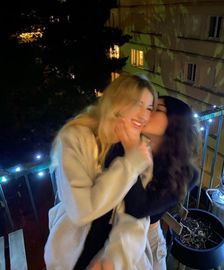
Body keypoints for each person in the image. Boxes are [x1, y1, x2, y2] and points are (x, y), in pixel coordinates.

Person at [44, 73, 157, 270]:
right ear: (117, 101)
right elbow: (81, 211)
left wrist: (114, 259)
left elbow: (139, 214)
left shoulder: (141, 149)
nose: (143, 115)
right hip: (71, 253)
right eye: (138, 104)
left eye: (148, 108)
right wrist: (130, 163)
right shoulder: (76, 138)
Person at [88, 96, 199, 270]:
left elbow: (138, 209)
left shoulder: (187, 173)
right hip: (106, 229)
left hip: (149, 238)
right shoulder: (121, 145)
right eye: (148, 106)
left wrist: (130, 149)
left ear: (177, 122)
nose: (146, 112)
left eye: (158, 109)